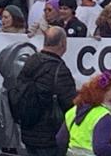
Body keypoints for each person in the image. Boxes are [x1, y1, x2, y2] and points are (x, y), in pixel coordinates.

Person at [15, 27, 78, 156]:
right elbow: (71, 104)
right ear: (62, 43)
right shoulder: (59, 69)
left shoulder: (31, 61)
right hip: (49, 136)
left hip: (28, 131)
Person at [58, 71, 111, 156]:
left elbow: (60, 140)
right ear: (102, 93)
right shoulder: (104, 115)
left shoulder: (73, 111)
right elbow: (100, 148)